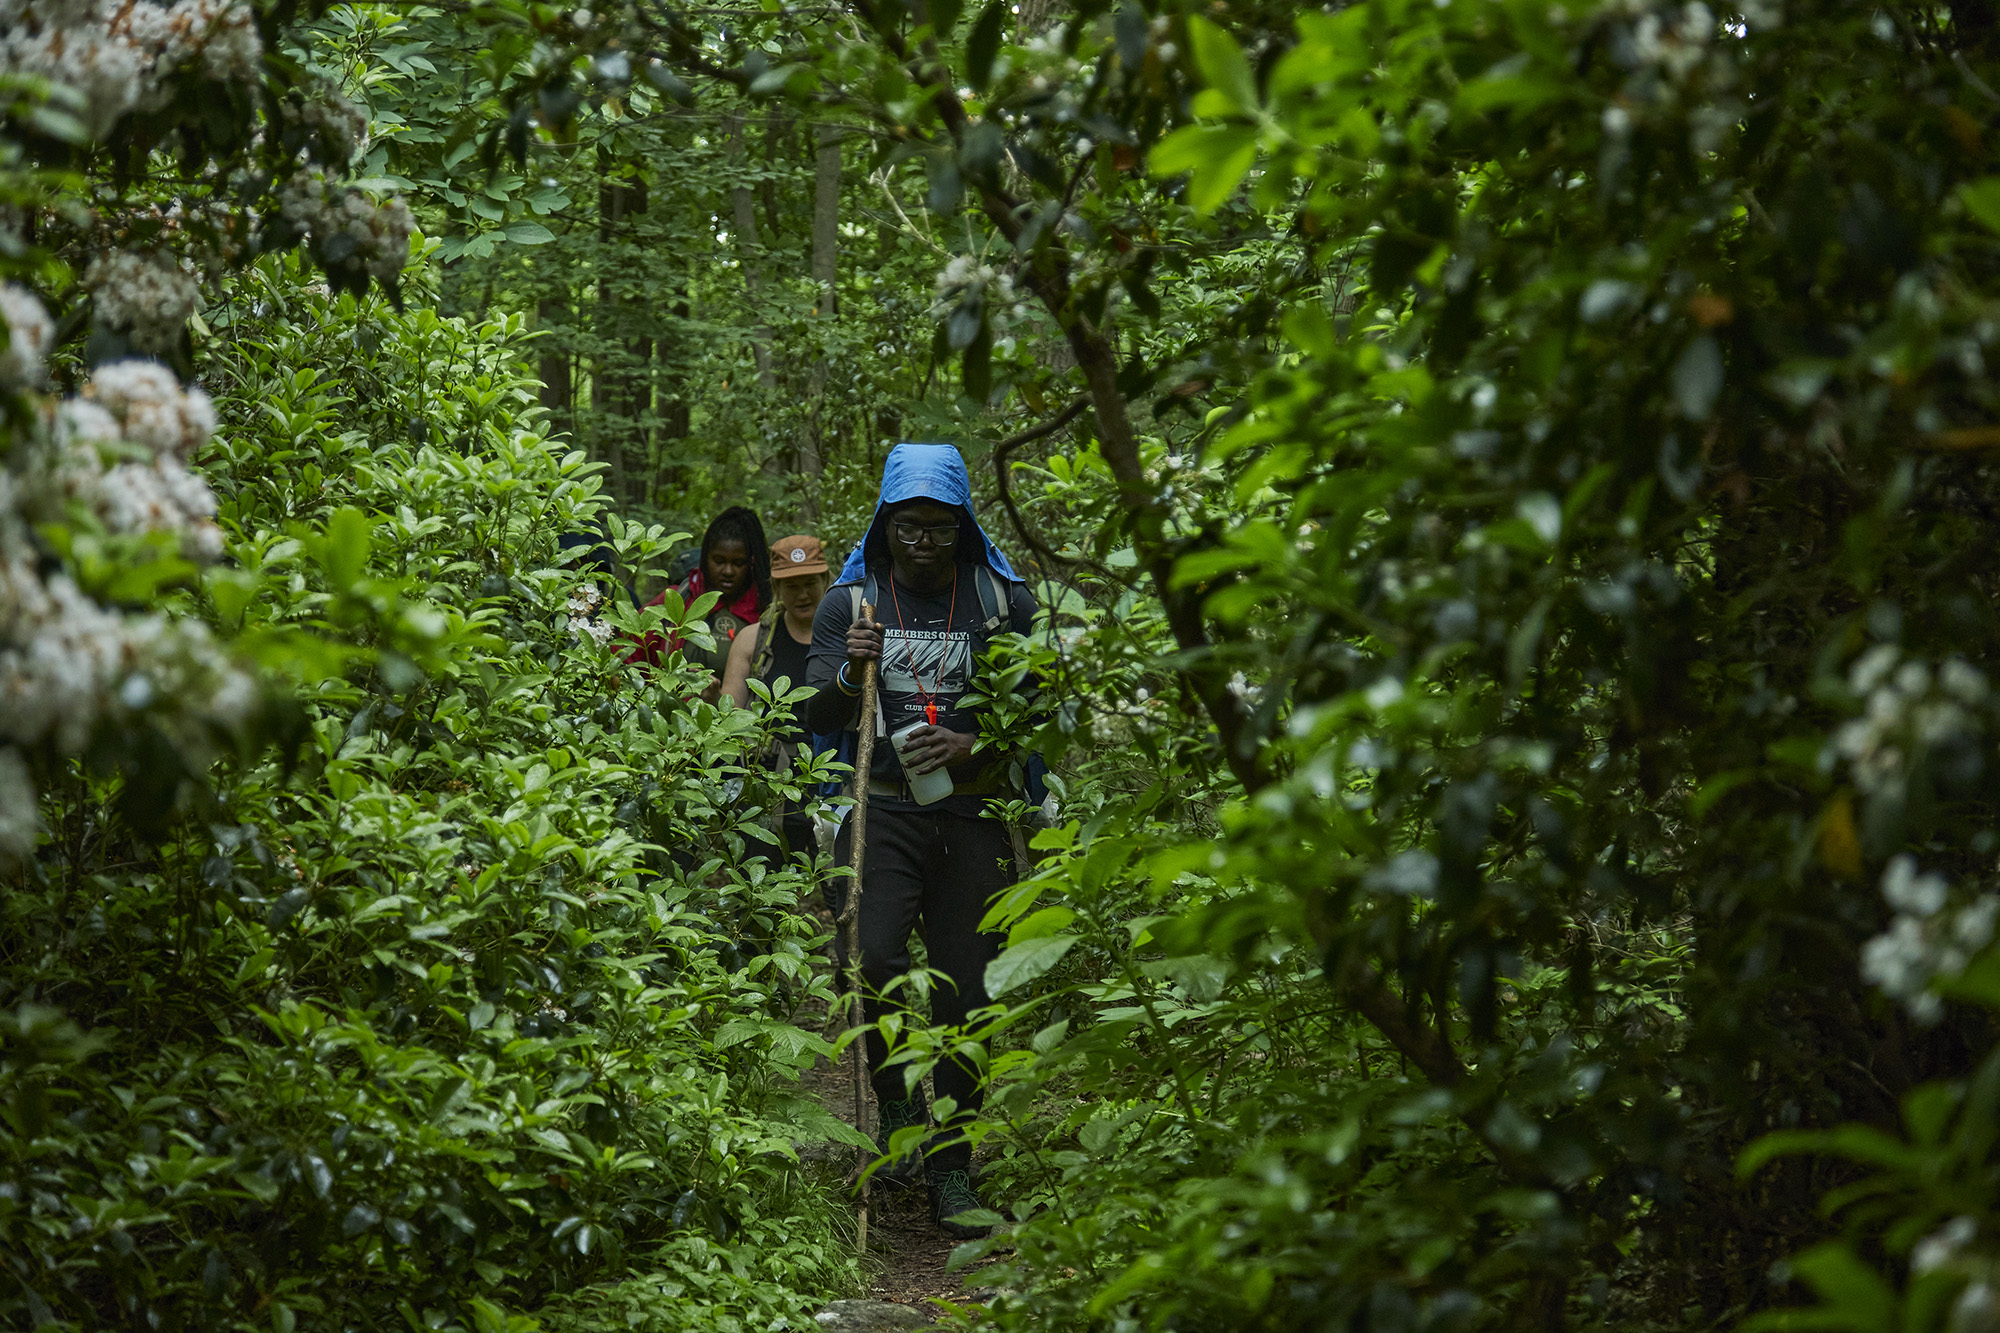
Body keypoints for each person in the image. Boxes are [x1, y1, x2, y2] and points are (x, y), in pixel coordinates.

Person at [802, 442, 1038, 1241]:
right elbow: (811, 714)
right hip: (882, 810)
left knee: (968, 991)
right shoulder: (852, 602)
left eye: (941, 528)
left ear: (965, 524)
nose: (925, 544)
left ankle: (951, 1168)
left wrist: (975, 747)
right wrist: (846, 675)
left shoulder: (1003, 601)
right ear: (886, 524)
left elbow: (1044, 713)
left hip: (971, 814)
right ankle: (898, 1099)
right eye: (910, 528)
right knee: (867, 958)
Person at [720, 534, 832, 865]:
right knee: (761, 897)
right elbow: (728, 722)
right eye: (791, 585)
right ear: (776, 586)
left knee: (840, 892)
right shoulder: (753, 640)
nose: (802, 594)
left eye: (810, 582)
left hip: (833, 785)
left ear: (826, 580)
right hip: (769, 789)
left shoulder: (848, 638)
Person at [626, 506, 771, 697]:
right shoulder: (677, 599)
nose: (728, 571)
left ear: (751, 563)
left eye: (738, 563)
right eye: (719, 561)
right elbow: (627, 653)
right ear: (705, 558)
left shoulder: (766, 610)